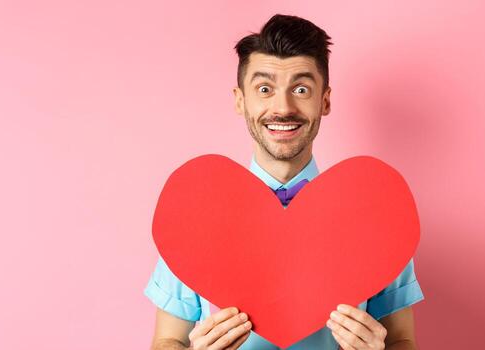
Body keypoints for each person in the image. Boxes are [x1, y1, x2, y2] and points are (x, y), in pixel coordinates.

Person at [144, 14, 425, 350]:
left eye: (301, 89)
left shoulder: (378, 216)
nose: (283, 107)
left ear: (325, 100)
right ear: (240, 100)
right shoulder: (193, 214)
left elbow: (402, 340)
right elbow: (167, 340)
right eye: (265, 89)